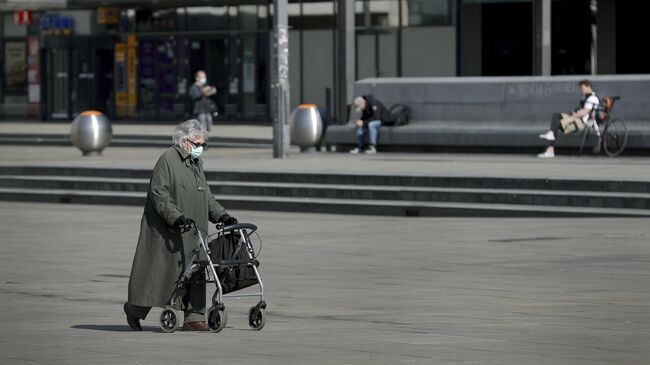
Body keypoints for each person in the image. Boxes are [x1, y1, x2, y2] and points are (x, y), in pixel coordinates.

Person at [123, 119, 238, 332]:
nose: (201, 148)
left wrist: (222, 216)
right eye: (198, 144)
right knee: (159, 276)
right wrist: (176, 217)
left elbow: (207, 196)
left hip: (195, 230)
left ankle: (194, 317)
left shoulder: (196, 164)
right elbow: (160, 194)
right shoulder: (167, 159)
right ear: (184, 142)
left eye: (204, 144)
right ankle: (134, 310)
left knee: (196, 272)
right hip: (171, 230)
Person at [538, 79, 601, 158]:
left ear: (588, 87)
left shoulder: (592, 98)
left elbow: (585, 112)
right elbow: (581, 110)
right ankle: (551, 137)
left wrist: (572, 117)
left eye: (582, 88)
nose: (581, 90)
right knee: (556, 116)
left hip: (583, 122)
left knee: (557, 123)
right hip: (577, 118)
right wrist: (573, 113)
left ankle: (550, 149)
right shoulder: (585, 97)